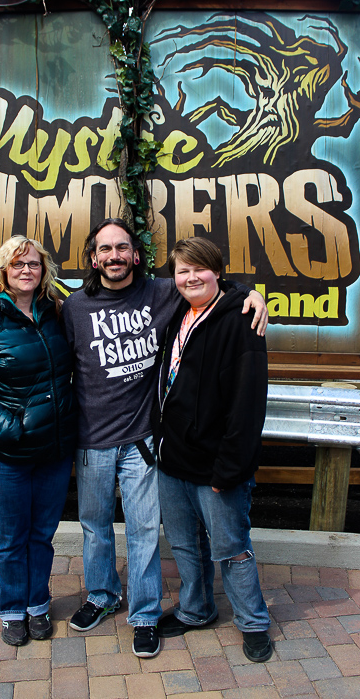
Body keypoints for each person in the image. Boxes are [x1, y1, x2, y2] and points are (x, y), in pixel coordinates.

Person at [61, 218, 267, 659]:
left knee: (144, 532)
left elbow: (210, 279)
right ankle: (102, 595)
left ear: (136, 254)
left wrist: (251, 292)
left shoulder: (162, 293)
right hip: (94, 440)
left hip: (143, 442)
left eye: (122, 247)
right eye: (104, 249)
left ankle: (145, 614)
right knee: (95, 529)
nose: (113, 256)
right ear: (93, 257)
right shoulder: (75, 307)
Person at [0, 236, 77, 647]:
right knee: (12, 536)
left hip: (53, 452)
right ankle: (11, 610)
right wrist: (11, 430)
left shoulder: (54, 312)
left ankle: (37, 604)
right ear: (3, 269)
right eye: (18, 264)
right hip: (5, 454)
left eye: (35, 264)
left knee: (41, 534)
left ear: (44, 271)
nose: (27, 270)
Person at [152, 237, 272, 662]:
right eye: (181, 271)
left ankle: (254, 622)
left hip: (217, 465)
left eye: (198, 268)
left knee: (232, 550)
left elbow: (248, 404)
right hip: (173, 461)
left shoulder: (242, 321)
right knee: (185, 546)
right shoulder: (177, 315)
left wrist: (230, 470)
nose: (190, 277)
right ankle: (196, 609)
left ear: (217, 271)